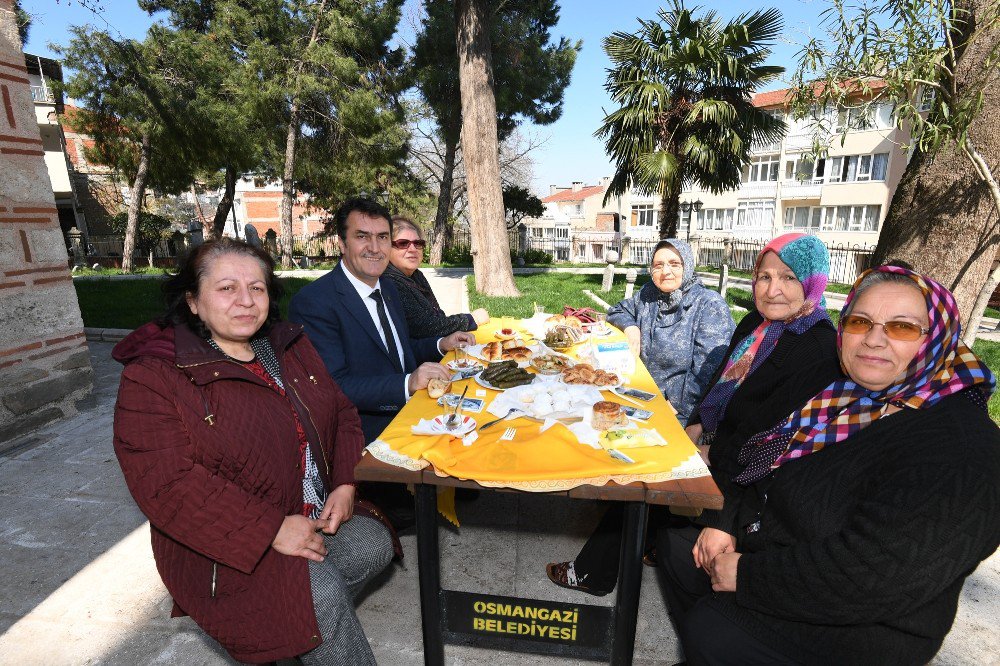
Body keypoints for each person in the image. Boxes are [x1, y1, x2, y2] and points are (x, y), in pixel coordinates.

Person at [664, 265, 1000, 665]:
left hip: (867, 618)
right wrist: (725, 522)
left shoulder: (964, 449)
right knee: (679, 549)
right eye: (860, 321)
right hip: (777, 543)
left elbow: (875, 575)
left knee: (715, 629)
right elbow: (753, 447)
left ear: (939, 338)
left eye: (902, 327)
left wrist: (749, 577)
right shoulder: (838, 386)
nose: (874, 340)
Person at [112, 238, 393, 664]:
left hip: (307, 513)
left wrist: (344, 483)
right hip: (224, 547)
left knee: (373, 544)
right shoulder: (154, 376)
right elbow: (167, 485)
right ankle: (302, 625)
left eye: (257, 288)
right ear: (192, 301)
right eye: (226, 288)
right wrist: (272, 529)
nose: (245, 301)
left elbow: (342, 412)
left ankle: (293, 636)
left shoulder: (287, 346)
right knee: (317, 595)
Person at [546, 238, 735, 595]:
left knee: (636, 482)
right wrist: (630, 326)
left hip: (690, 415)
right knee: (583, 415)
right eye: (658, 264)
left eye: (674, 264)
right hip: (644, 399)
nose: (665, 271)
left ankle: (592, 573)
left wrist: (682, 421)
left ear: (689, 266)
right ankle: (653, 543)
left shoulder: (708, 307)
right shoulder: (649, 294)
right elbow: (619, 308)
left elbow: (710, 376)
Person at [288, 198, 475, 528]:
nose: (374, 247)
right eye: (362, 236)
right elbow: (334, 387)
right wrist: (407, 383)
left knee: (482, 411)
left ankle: (449, 488)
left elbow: (399, 352)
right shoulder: (315, 302)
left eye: (383, 237)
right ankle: (402, 502)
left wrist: (439, 343)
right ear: (341, 243)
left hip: (408, 408)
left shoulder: (388, 288)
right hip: (365, 430)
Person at [384, 215, 490, 337]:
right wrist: (471, 319)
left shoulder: (416, 275)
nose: (413, 249)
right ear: (386, 248)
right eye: (403, 243)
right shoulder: (389, 282)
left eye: (418, 243)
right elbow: (424, 327)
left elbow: (436, 316)